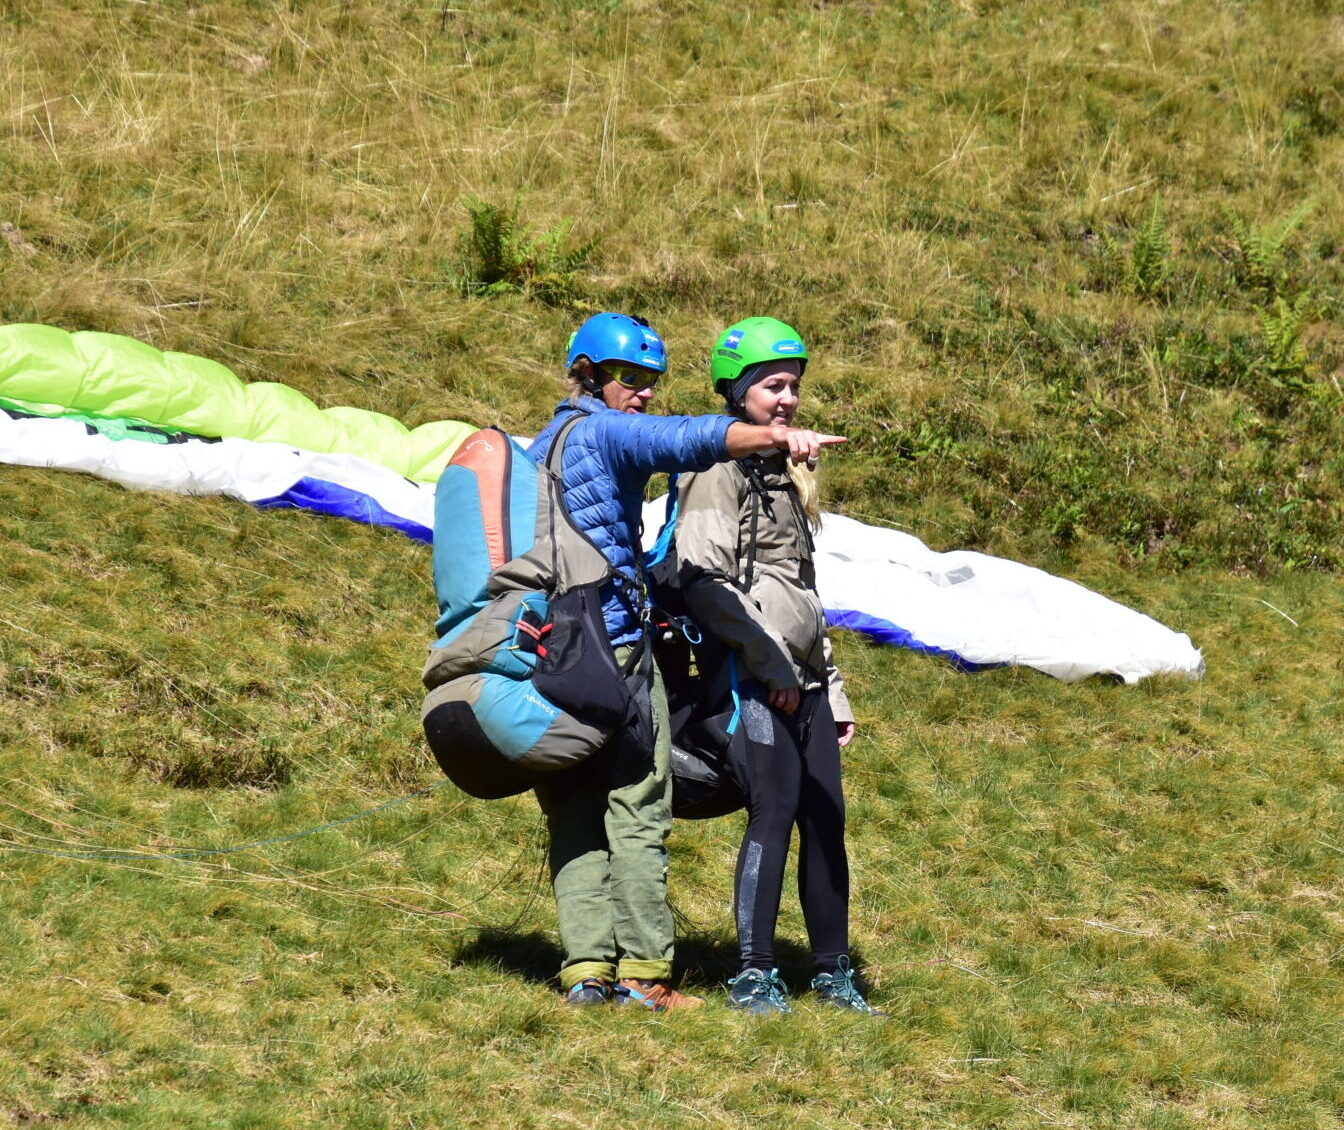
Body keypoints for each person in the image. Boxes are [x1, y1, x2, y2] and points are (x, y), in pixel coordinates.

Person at [528, 312, 843, 1011]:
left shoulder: (537, 448)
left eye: (650, 382)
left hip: (549, 651)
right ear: (590, 374)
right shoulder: (604, 431)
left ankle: (584, 972)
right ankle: (643, 976)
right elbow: (686, 438)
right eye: (630, 379)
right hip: (612, 650)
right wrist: (771, 436)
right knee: (638, 804)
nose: (641, 394)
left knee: (575, 812)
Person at [667, 316, 881, 1015]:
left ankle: (831, 973)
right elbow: (703, 579)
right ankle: (754, 975)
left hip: (804, 682)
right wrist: (771, 668)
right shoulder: (713, 468)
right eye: (772, 386)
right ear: (737, 390)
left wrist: (833, 690)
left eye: (793, 386)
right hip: (748, 676)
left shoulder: (788, 475)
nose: (786, 399)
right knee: (774, 809)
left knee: (826, 816)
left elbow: (805, 594)